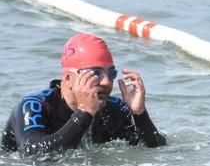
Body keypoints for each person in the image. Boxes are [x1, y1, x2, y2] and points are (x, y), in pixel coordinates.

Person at [1, 32, 166, 157]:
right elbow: (33, 154)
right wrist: (84, 113)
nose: (107, 82)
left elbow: (155, 150)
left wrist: (139, 114)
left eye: (111, 74)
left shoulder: (114, 108)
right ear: (68, 78)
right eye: (95, 73)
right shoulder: (35, 106)